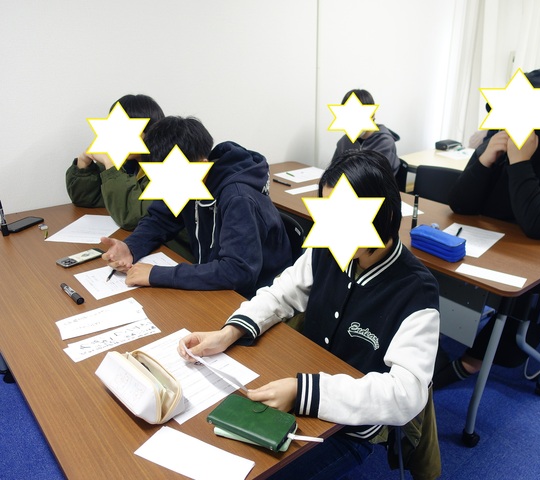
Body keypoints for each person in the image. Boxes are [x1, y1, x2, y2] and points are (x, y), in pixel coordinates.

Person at [178, 151, 441, 480]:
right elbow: (281, 292)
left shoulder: (416, 291)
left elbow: (405, 394)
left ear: (383, 213)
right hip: (299, 384)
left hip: (348, 428)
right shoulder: (328, 248)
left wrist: (304, 392)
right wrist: (228, 333)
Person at [434, 66, 540, 389]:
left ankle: (473, 360)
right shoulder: (499, 137)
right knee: (434, 262)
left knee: (519, 299)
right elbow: (460, 203)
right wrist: (484, 160)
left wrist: (521, 162)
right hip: (498, 241)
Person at [101, 116, 292, 298]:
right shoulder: (184, 177)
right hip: (215, 280)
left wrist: (156, 274)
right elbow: (160, 220)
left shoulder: (238, 198)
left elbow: (238, 272)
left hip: (258, 293)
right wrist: (131, 247)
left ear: (202, 163)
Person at [65, 94, 165, 231]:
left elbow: (133, 219)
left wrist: (111, 167)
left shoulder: (167, 168)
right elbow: (87, 198)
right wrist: (84, 161)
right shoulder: (126, 161)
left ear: (152, 131)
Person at [331, 89, 401, 176]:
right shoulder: (344, 142)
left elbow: (374, 177)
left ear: (372, 115)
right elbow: (333, 171)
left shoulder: (384, 142)